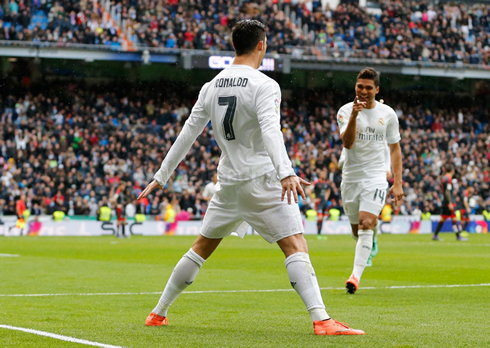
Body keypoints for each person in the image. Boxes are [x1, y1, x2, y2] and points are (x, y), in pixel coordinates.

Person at [138, 20, 364, 335]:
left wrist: (161, 176)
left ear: (235, 45)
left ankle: (158, 312)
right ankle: (322, 320)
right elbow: (271, 129)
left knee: (202, 245)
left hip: (228, 183)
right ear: (262, 45)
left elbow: (188, 133)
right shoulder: (264, 85)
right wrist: (286, 172)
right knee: (295, 245)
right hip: (262, 180)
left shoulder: (210, 86)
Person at [337, 67, 404, 294]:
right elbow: (347, 143)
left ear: (377, 89)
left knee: (366, 222)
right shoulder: (345, 111)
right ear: (355, 87)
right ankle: (371, 238)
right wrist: (355, 115)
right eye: (359, 87)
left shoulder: (388, 114)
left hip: (375, 176)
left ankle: (355, 277)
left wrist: (398, 183)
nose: (363, 91)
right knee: (358, 230)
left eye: (368, 87)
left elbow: (395, 150)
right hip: (351, 178)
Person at [338, 141, 392, 268]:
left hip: (374, 181)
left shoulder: (377, 134)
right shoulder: (350, 139)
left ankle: (366, 255)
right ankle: (368, 243)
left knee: (368, 220)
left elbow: (386, 150)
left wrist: (387, 169)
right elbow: (341, 163)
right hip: (353, 183)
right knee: (356, 230)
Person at [432, 164, 468, 241]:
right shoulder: (448, 178)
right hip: (448, 202)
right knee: (454, 218)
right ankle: (458, 236)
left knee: (443, 218)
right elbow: (447, 192)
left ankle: (435, 235)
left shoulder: (444, 178)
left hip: (444, 201)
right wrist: (450, 202)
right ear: (452, 170)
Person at [312, 168, 331, 239]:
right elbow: (308, 190)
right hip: (319, 203)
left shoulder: (326, 184)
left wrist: (326, 197)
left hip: (324, 203)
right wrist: (313, 199)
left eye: (325, 174)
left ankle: (319, 234)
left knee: (322, 218)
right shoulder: (316, 183)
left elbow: (328, 190)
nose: (324, 175)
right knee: (319, 218)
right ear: (320, 175)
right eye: (323, 174)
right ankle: (318, 234)